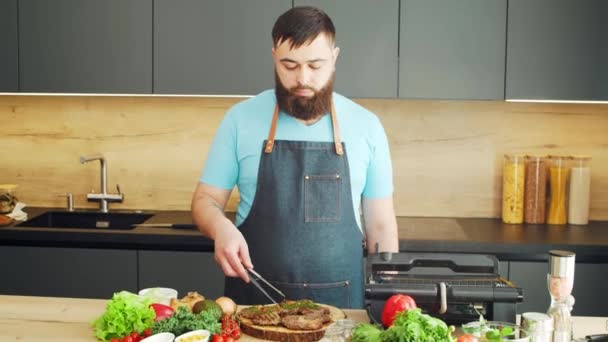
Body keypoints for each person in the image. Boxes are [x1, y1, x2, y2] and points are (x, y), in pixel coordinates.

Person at [191, 6, 398, 309]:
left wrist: (388, 300)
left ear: (335, 58)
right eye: (290, 65)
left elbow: (380, 225)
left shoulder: (367, 126)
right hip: (254, 303)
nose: (302, 79)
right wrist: (220, 228)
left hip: (342, 309)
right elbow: (204, 201)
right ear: (274, 56)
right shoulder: (239, 120)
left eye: (315, 66)